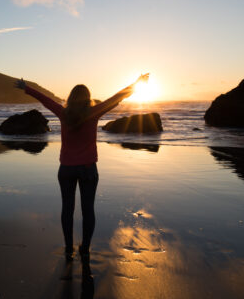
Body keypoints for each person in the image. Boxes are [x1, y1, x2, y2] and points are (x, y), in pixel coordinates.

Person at [15, 73, 149, 260]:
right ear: (88, 98)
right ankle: (85, 248)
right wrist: (136, 84)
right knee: (88, 210)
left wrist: (26, 87)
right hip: (88, 169)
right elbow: (117, 97)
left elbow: (45, 100)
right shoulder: (93, 112)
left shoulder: (63, 113)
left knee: (67, 209)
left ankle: (69, 247)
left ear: (70, 98)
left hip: (66, 169)